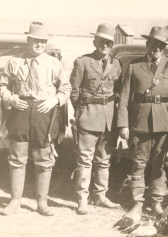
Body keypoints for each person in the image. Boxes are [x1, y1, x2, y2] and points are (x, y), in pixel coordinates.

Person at [0, 22, 71, 216]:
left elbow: (66, 89)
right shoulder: (15, 61)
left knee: (44, 159)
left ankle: (42, 203)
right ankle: (14, 201)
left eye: (43, 41)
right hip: (20, 111)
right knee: (17, 157)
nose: (39, 44)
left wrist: (54, 100)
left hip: (43, 112)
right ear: (28, 40)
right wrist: (11, 99)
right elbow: (2, 86)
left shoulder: (53, 64)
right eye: (36, 40)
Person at [117, 26, 168, 223]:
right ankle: (137, 203)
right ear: (147, 44)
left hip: (165, 123)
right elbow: (123, 98)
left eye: (161, 45)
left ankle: (156, 202)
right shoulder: (133, 66)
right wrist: (123, 124)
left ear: (165, 48)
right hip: (140, 122)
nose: (157, 48)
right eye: (154, 44)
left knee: (159, 164)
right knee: (138, 163)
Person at [69, 23, 122, 215]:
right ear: (95, 42)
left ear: (112, 44)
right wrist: (81, 111)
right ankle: (82, 198)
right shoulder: (83, 62)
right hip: (88, 116)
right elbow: (74, 92)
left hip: (108, 119)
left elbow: (118, 91)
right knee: (84, 160)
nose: (105, 45)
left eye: (108, 42)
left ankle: (100, 196)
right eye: (101, 41)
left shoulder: (116, 64)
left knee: (104, 160)